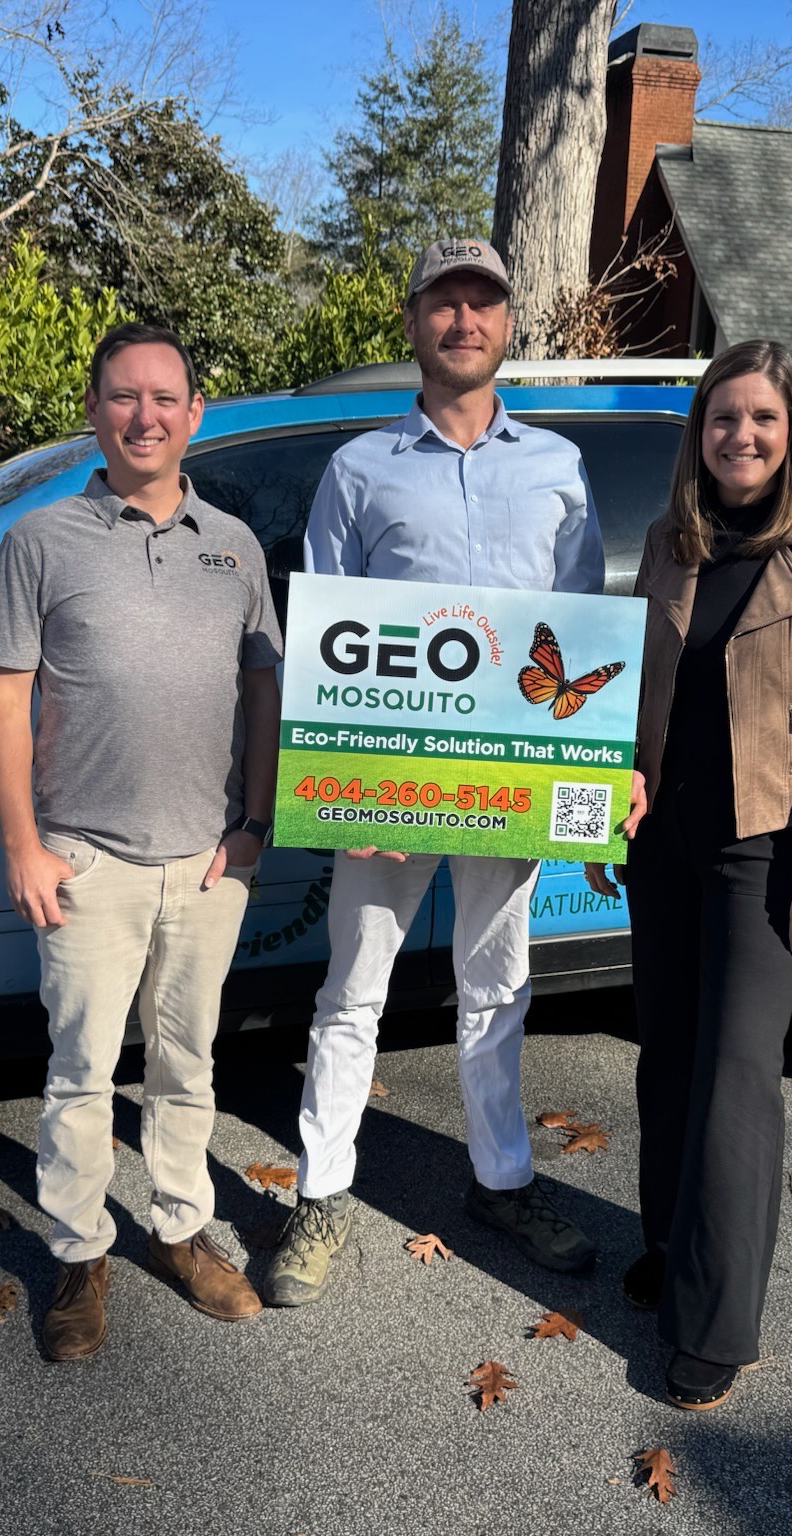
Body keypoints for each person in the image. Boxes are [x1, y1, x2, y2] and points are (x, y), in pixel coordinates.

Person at [263, 238, 607, 1306]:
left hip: (504, 782)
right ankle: (320, 1193)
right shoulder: (359, 467)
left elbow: (580, 626)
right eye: (443, 302)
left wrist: (569, 792)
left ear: (508, 325)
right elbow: (324, 636)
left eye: (483, 302)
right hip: (387, 788)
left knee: (495, 987)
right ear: (413, 322)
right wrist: (338, 785)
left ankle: (501, 1182)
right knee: (350, 992)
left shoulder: (557, 465)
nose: (464, 319)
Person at [586, 339, 792, 1410]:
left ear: (789, 429)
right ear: (699, 431)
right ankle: (671, 1247)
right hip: (664, 841)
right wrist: (613, 790)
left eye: (760, 419)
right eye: (723, 420)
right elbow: (635, 691)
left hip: (766, 851)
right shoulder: (675, 545)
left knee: (732, 1078)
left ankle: (720, 1321)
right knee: (665, 1054)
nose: (740, 438)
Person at [0, 321, 284, 1361]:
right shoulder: (39, 544)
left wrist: (253, 828)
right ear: (94, 411)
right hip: (86, 859)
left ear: (194, 414)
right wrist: (23, 844)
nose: (144, 415)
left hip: (205, 861)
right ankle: (77, 1253)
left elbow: (262, 689)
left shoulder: (234, 544)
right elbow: (5, 697)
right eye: (123, 396)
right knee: (79, 1070)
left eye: (165, 398)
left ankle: (180, 1229)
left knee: (188, 1063)